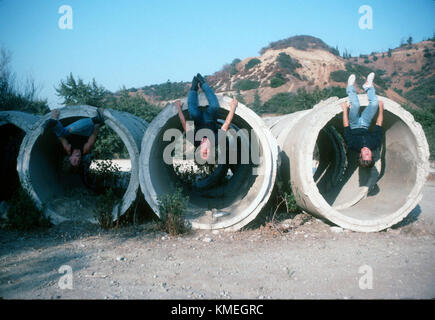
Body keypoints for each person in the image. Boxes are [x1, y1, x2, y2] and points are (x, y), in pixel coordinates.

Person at [174, 73, 238, 162]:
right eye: (206, 154)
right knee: (215, 106)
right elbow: (226, 123)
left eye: (202, 154)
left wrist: (178, 108)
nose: (205, 152)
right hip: (210, 118)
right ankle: (203, 84)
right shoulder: (216, 140)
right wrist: (233, 107)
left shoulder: (195, 141)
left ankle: (194, 88)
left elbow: (184, 123)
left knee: (193, 112)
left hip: (198, 120)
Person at [44, 107, 105, 185]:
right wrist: (97, 124)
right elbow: (94, 134)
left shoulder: (68, 149)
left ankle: (54, 120)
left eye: (75, 160)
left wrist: (54, 122)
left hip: (73, 128)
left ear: (70, 158)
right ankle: (96, 119)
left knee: (63, 132)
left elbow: (60, 137)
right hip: (87, 130)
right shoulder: (85, 150)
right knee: (70, 130)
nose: (78, 158)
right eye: (79, 161)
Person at [341, 72, 384, 168]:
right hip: (365, 123)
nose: (367, 152)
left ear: (360, 155)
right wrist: (381, 108)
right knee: (374, 104)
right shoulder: (375, 143)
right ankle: (368, 86)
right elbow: (379, 124)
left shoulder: (352, 145)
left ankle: (350, 87)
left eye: (365, 155)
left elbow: (346, 126)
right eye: (370, 155)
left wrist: (345, 110)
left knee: (355, 105)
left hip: (353, 123)